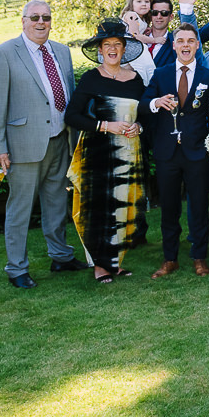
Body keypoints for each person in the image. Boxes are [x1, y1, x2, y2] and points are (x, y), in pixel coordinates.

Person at [0, 0, 87, 289]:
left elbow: (67, 95)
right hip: (22, 147)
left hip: (59, 141)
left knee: (56, 204)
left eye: (46, 17)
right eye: (35, 17)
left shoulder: (62, 51)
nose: (41, 22)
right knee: (19, 210)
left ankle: (61, 256)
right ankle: (17, 268)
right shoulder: (4, 53)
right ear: (23, 20)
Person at [64, 19, 147, 282]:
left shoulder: (136, 80)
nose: (112, 49)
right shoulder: (91, 78)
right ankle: (100, 265)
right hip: (97, 153)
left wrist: (139, 128)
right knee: (98, 208)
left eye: (117, 44)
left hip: (128, 154)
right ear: (100, 50)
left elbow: (145, 115)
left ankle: (115, 262)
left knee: (121, 207)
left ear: (124, 49)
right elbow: (72, 116)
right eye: (107, 45)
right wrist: (105, 125)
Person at [141, 23, 209, 279]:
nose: (185, 45)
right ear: (173, 45)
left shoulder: (208, 76)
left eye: (190, 41)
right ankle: (169, 258)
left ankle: (199, 257)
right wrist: (156, 102)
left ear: (197, 45)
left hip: (197, 152)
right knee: (169, 208)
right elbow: (143, 105)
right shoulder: (161, 74)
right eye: (181, 41)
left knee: (198, 206)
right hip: (167, 153)